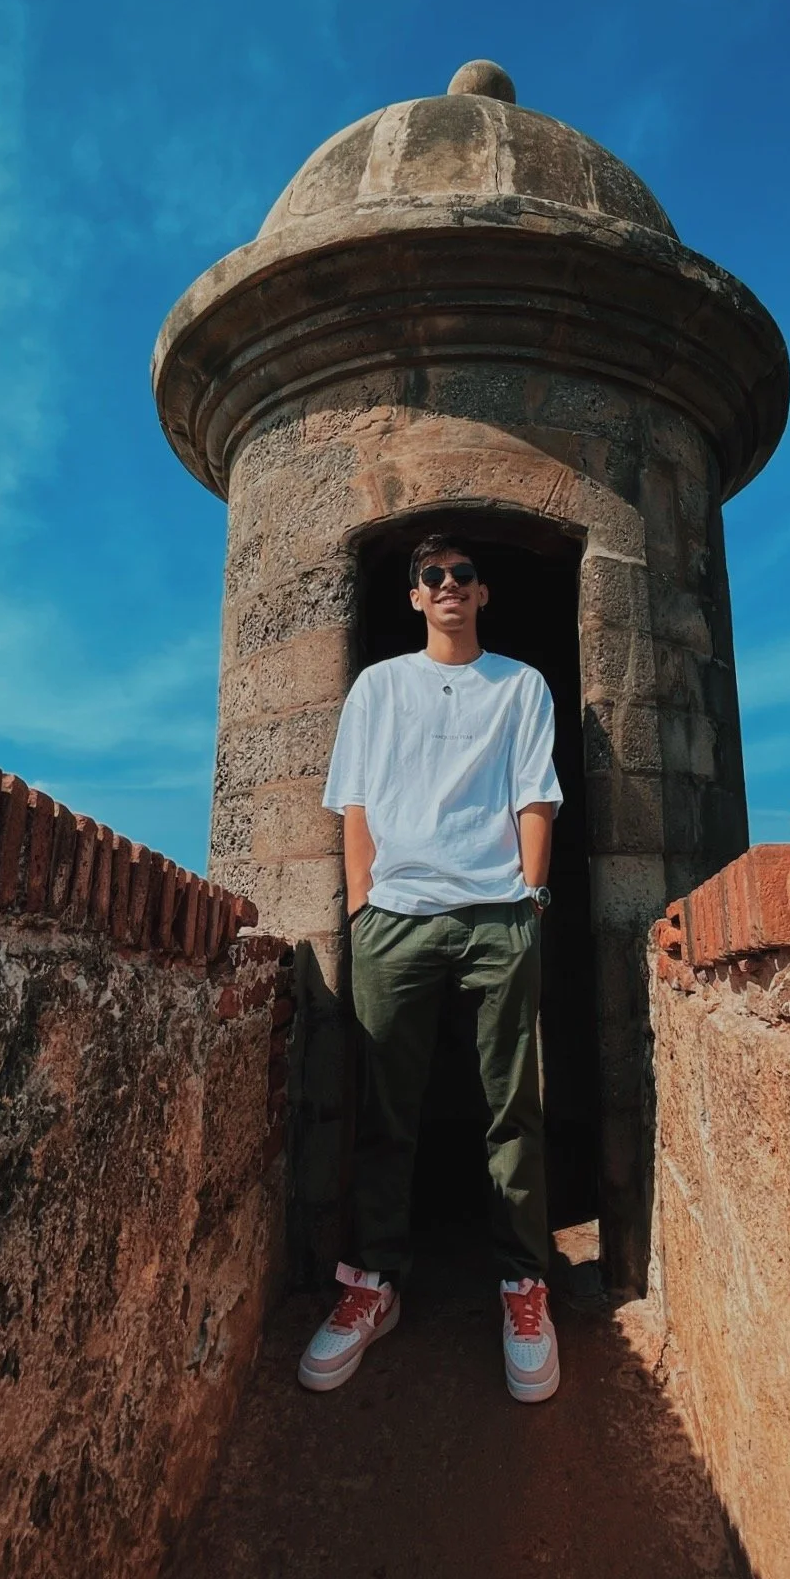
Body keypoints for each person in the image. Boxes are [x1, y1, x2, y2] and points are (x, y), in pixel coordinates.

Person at [298, 532, 563, 1403]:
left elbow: (534, 795)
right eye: (431, 577)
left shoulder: (522, 686)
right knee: (386, 1107)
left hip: (498, 915)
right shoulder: (378, 687)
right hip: (395, 921)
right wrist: (361, 907)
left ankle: (526, 1289)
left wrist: (530, 899)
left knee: (512, 1105)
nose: (447, 587)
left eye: (460, 576)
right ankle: (372, 1285)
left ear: (483, 592)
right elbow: (357, 802)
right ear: (414, 596)